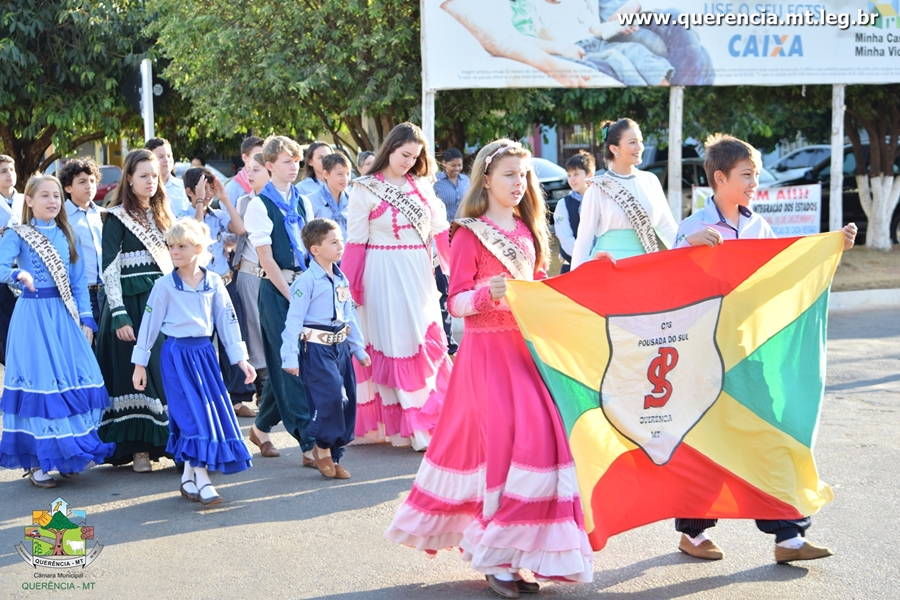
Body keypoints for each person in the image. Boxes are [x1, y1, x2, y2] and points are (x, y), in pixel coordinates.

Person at [385, 140, 593, 597]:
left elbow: (537, 288)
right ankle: (498, 557)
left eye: (524, 176)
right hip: (486, 356)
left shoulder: (527, 229)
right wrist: (487, 293)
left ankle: (520, 551)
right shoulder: (469, 233)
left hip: (525, 352)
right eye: (509, 176)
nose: (519, 184)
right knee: (500, 449)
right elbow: (455, 302)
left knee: (540, 441)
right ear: (485, 179)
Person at [672, 133, 857, 564]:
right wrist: (686, 249)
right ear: (720, 178)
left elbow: (784, 271)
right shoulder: (691, 228)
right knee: (705, 440)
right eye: (747, 174)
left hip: (748, 351)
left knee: (771, 433)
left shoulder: (759, 226)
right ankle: (693, 533)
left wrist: (833, 248)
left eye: (755, 174)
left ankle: (788, 537)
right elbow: (668, 286)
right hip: (702, 354)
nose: (755, 182)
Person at [343, 122, 452, 450]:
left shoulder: (421, 185)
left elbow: (441, 230)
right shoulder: (364, 188)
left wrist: (457, 270)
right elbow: (355, 243)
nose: (408, 161)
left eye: (415, 156)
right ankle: (413, 426)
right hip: (383, 272)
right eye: (404, 154)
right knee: (394, 342)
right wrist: (350, 290)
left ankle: (429, 418)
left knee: (422, 340)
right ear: (389, 149)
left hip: (418, 272)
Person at [0, 175, 112, 488]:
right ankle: (37, 461)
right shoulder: (18, 234)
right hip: (32, 317)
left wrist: (86, 317)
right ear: (30, 202)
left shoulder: (69, 233)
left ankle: (66, 453)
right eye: (44, 196)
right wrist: (17, 273)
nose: (52, 201)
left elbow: (78, 282)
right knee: (41, 387)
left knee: (75, 380)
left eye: (56, 196)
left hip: (63, 317)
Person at [132, 218, 254, 505]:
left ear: (198, 248)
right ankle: (203, 479)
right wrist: (139, 364)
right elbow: (149, 324)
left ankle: (189, 477)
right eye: (171, 246)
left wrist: (241, 360)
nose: (174, 251)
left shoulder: (214, 282)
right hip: (175, 356)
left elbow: (228, 321)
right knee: (190, 416)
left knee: (205, 414)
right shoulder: (163, 285)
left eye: (182, 246)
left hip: (204, 355)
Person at [96, 149, 175, 472]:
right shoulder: (116, 217)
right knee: (135, 377)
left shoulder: (162, 216)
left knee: (163, 372)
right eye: (143, 175)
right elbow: (110, 270)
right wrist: (119, 314)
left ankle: (168, 443)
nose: (150, 181)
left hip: (161, 302)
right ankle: (138, 449)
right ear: (128, 178)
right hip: (130, 302)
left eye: (154, 176)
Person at [243, 136, 316, 463]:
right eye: (288, 161)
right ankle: (308, 442)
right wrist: (293, 295)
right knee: (291, 364)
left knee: (286, 364)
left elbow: (312, 251)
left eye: (297, 161)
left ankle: (259, 428)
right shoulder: (259, 205)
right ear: (270, 165)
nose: (294, 167)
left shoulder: (303, 200)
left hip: (303, 287)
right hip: (276, 291)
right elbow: (267, 260)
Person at [281, 218, 371, 479]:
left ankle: (336, 454)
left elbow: (349, 316)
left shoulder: (340, 277)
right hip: (317, 349)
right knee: (330, 397)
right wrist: (290, 356)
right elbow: (293, 320)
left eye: (341, 240)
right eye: (333, 242)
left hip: (340, 347)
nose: (340, 245)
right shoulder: (306, 281)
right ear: (315, 249)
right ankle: (321, 448)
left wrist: (358, 349)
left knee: (347, 400)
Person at [183, 167, 255, 418]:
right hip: (197, 288)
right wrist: (199, 201)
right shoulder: (185, 214)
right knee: (202, 342)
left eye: (211, 188)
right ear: (189, 192)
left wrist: (223, 197)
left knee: (234, 336)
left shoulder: (217, 212)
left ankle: (238, 397)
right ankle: (204, 396)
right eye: (204, 189)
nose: (209, 194)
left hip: (224, 283)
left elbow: (240, 229)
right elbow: (194, 235)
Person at [571, 118, 677, 268]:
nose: (639, 147)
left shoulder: (650, 180)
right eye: (632, 142)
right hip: (610, 269)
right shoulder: (597, 188)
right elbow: (584, 239)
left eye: (640, 141)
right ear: (615, 149)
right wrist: (575, 281)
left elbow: (667, 228)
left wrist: (691, 253)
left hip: (646, 267)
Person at [232, 152, 270, 417]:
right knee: (253, 329)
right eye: (248, 169)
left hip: (276, 276)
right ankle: (263, 383)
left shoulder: (285, 202)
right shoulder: (243, 201)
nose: (251, 174)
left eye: (256, 169)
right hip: (249, 274)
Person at [432, 148, 470, 357]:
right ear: (444, 164)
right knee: (444, 288)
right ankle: (447, 340)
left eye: (459, 164)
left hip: (463, 237)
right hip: (442, 240)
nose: (456, 169)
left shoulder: (466, 181)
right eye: (452, 165)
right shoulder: (436, 182)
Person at [60, 158, 105, 327]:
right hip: (78, 292)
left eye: (92, 181)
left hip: (106, 290)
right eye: (82, 181)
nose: (89, 185)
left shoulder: (103, 214)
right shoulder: (61, 217)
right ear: (68, 187)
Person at [0, 154, 26, 365]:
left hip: (25, 271)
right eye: (3, 171)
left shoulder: (27, 199)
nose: (10, 175)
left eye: (11, 169)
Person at [554, 150, 595, 274]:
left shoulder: (600, 201)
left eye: (576, 174)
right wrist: (586, 260)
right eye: (569, 175)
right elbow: (566, 238)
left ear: (589, 174)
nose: (572, 179)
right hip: (572, 268)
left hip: (600, 265)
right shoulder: (563, 204)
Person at [146, 137, 191, 218]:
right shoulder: (145, 187)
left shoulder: (183, 186)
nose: (166, 160)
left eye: (169, 156)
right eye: (160, 157)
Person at [310, 153, 351, 240]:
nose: (345, 179)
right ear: (326, 174)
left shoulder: (354, 201)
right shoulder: (311, 201)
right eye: (340, 174)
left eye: (348, 174)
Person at [225, 136, 265, 204]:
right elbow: (227, 214)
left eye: (264, 155)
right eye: (256, 155)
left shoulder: (271, 182)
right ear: (245, 158)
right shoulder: (232, 188)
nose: (261, 159)